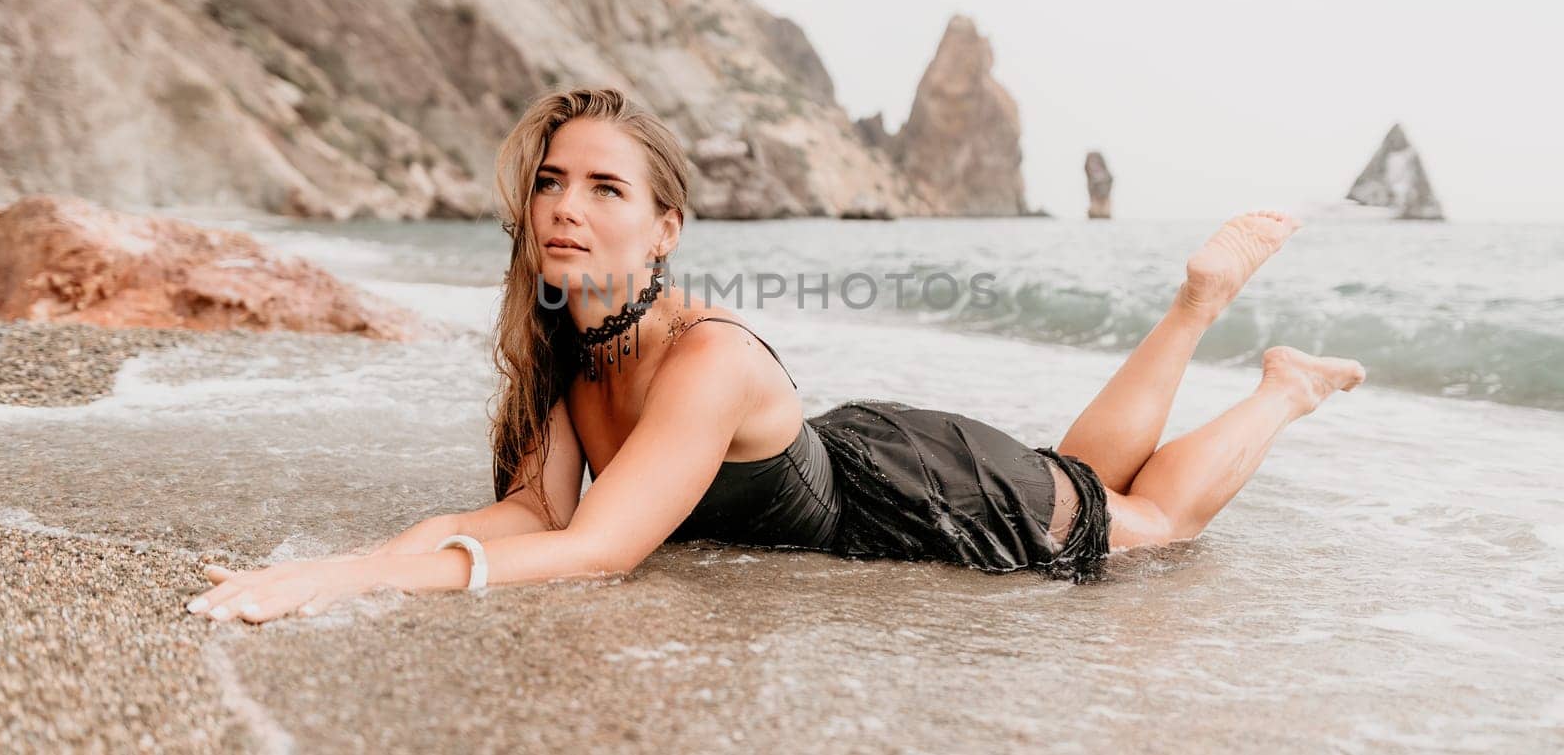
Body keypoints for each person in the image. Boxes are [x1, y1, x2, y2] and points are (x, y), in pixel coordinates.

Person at [186, 88, 1366, 623]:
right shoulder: (565, 344)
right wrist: (352, 557)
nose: (565, 205)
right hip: (862, 457)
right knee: (1084, 479)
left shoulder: (705, 360)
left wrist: (343, 581)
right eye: (551, 181)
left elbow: (597, 551)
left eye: (605, 187)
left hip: (913, 493)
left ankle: (1275, 381)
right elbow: (530, 516)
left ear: (664, 230)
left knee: (1142, 526)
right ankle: (1194, 320)